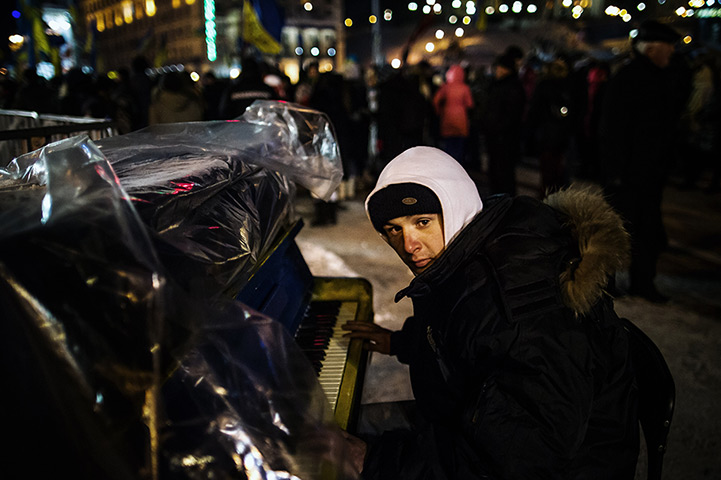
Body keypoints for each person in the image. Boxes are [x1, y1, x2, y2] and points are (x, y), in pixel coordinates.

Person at [342, 146, 639, 479]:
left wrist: (373, 459)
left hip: (563, 468)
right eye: (394, 230)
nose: (408, 245)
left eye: (422, 222)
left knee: (348, 447)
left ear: (454, 206)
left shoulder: (520, 302)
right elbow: (465, 335)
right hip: (475, 427)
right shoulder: (475, 250)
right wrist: (402, 342)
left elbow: (516, 457)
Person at [598, 20, 689, 303]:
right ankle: (605, 282)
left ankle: (642, 281)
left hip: (650, 171)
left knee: (647, 230)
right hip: (626, 173)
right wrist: (613, 171)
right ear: (651, 49)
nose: (672, 52)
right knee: (617, 230)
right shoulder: (628, 79)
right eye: (667, 47)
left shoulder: (663, 77)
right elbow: (612, 128)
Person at [482, 53, 526, 195]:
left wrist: (497, 128)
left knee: (504, 174)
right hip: (495, 137)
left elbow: (512, 115)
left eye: (499, 67)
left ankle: (506, 205)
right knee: (495, 172)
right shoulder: (497, 85)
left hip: (505, 138)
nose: (497, 70)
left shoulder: (511, 87)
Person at [433, 64, 474, 167]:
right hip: (461, 118)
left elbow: (436, 101)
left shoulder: (445, 87)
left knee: (448, 144)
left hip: (447, 117)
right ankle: (459, 166)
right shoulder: (465, 88)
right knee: (459, 145)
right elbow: (470, 104)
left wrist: (439, 111)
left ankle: (449, 166)